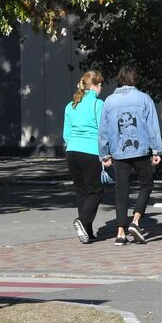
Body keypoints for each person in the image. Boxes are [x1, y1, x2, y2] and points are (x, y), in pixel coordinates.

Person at [98, 66, 162, 245]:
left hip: (119, 152)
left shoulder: (109, 102)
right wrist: (157, 150)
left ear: (119, 79)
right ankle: (135, 221)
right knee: (146, 184)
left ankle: (120, 233)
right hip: (141, 150)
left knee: (121, 191)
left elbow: (103, 131)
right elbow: (153, 126)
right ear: (135, 79)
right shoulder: (144, 99)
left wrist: (104, 154)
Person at [63, 70, 105, 243]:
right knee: (96, 191)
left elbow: (66, 134)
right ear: (94, 86)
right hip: (91, 151)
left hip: (72, 152)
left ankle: (86, 232)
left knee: (81, 192)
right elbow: (103, 132)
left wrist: (74, 144)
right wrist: (106, 153)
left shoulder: (71, 105)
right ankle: (83, 221)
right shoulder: (98, 104)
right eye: (101, 84)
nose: (102, 88)